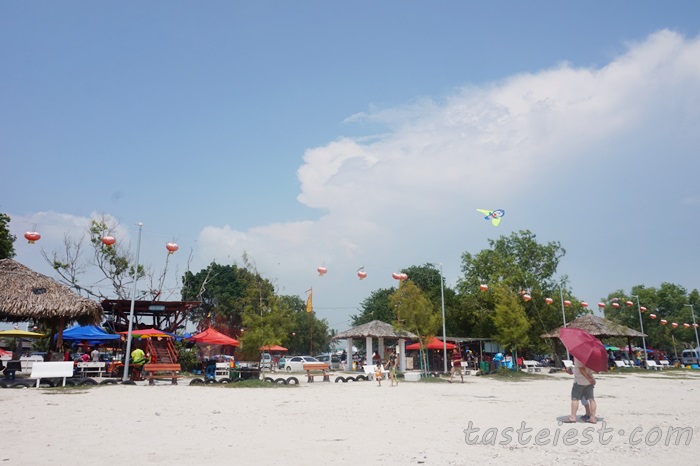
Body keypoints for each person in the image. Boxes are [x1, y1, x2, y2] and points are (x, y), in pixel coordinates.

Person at [566, 357, 597, 423]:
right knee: (591, 399)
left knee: (575, 398)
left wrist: (588, 378)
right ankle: (592, 418)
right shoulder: (592, 357)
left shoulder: (579, 357)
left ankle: (573, 417)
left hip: (580, 381)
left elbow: (581, 369)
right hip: (590, 381)